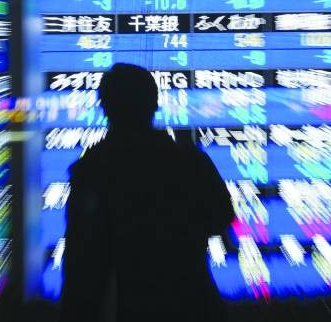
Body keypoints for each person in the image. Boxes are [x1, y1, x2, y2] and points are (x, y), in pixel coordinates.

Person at [59, 63, 235, 322]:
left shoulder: (92, 170)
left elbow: (81, 263)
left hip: (128, 306)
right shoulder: (190, 162)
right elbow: (222, 220)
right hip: (195, 303)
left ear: (105, 107)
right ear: (154, 104)